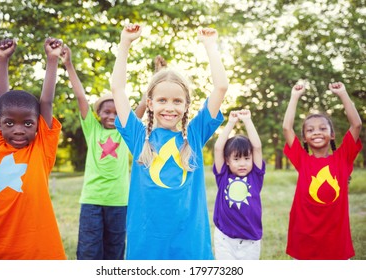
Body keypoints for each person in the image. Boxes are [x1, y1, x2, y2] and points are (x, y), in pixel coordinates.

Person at [110, 24, 228, 260]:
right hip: (146, 242)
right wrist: (124, 44)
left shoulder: (194, 136)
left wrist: (210, 46)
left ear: (186, 106)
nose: (170, 107)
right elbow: (117, 88)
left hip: (189, 241)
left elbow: (221, 87)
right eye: (162, 100)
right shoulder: (138, 136)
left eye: (177, 101)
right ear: (150, 104)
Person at [0, 38, 66, 259]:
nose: (18, 130)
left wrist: (52, 60)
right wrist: (1, 60)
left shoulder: (40, 149)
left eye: (27, 123)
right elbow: (1, 101)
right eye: (9, 123)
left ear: (37, 125)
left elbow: (47, 103)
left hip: (36, 252)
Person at [60, 44, 146, 260]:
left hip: (119, 202)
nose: (112, 116)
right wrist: (68, 64)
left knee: (115, 251)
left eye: (117, 112)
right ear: (97, 113)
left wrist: (156, 76)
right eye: (107, 111)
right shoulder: (92, 129)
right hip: (92, 201)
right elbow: (80, 96)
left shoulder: (125, 133)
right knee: (89, 251)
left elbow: (144, 105)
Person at [282, 81, 362, 260]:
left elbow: (356, 125)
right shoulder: (302, 160)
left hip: (336, 243)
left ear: (332, 135)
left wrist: (343, 94)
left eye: (322, 128)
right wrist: (294, 97)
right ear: (304, 138)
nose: (316, 132)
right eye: (310, 130)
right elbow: (287, 128)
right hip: (305, 240)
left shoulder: (343, 158)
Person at [213, 109, 265, 260]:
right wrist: (230, 123)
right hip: (225, 238)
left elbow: (257, 147)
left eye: (246, 158)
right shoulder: (223, 176)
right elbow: (218, 148)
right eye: (236, 159)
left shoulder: (255, 176)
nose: (242, 163)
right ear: (227, 161)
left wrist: (248, 121)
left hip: (250, 239)